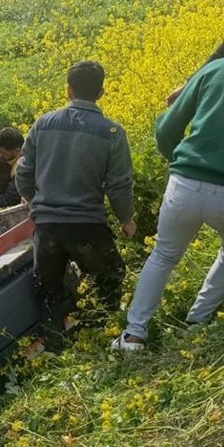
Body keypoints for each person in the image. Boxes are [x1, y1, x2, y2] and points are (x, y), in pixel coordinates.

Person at [113, 20, 224, 351]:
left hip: (186, 183)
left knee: (163, 254)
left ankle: (133, 334)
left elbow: (166, 129)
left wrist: (178, 162)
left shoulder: (218, 67)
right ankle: (197, 320)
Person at [16, 61, 136, 335]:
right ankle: (99, 335)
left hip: (47, 228)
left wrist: (33, 201)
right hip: (87, 226)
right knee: (110, 277)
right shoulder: (112, 132)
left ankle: (57, 341)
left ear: (68, 90)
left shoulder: (43, 124)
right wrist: (126, 219)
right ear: (102, 93)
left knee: (50, 290)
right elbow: (119, 184)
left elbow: (24, 171)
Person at [0, 127, 24, 209]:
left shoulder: (22, 167)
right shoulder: (11, 161)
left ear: (17, 150)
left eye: (3, 153)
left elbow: (10, 198)